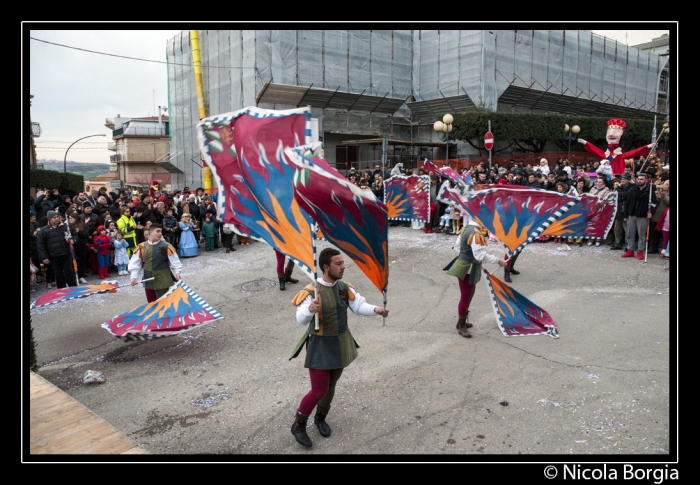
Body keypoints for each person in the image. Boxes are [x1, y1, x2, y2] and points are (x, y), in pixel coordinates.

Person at [288, 247, 389, 447]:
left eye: (343, 263)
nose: (343, 267)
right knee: (318, 389)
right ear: (326, 267)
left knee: (331, 387)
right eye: (338, 263)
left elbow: (358, 306)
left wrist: (376, 310)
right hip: (320, 344)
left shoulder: (344, 287)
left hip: (341, 341)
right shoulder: (311, 291)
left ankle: (320, 418)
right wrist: (309, 310)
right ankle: (299, 424)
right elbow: (300, 319)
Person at [445, 214, 507, 337]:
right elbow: (479, 256)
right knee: (466, 296)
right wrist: (498, 261)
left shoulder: (467, 228)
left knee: (468, 294)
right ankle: (461, 326)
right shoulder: (475, 233)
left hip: (465, 266)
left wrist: (465, 254)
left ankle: (461, 322)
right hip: (467, 269)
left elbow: (457, 245)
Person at [577, 119, 654, 175]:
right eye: (609, 132)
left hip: (617, 177)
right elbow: (595, 150)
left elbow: (635, 152)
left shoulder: (619, 156)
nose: (610, 135)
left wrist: (648, 146)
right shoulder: (606, 155)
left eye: (615, 132)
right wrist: (586, 143)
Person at [128, 224, 183, 303]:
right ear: (150, 233)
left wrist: (177, 272)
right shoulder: (142, 247)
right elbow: (134, 263)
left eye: (161, 231)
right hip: (148, 278)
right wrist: (133, 277)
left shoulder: (166, 246)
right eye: (157, 231)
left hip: (163, 278)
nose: (160, 233)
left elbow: (175, 262)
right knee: (152, 304)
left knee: (164, 304)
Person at [37, 210, 78, 289]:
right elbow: (41, 245)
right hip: (54, 255)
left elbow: (75, 234)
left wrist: (74, 240)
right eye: (54, 217)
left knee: (69, 272)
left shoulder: (66, 227)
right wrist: (44, 257)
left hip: (66, 253)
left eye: (57, 217)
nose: (57, 219)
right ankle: (61, 289)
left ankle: (73, 287)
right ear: (49, 219)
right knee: (58, 273)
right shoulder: (44, 231)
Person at [621, 172, 657, 260]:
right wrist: (625, 214)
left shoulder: (650, 191)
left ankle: (640, 250)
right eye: (639, 179)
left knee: (641, 235)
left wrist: (651, 212)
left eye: (642, 179)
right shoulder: (633, 189)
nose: (640, 181)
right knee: (630, 233)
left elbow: (654, 204)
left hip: (643, 216)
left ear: (646, 180)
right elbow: (627, 203)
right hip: (632, 214)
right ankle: (630, 250)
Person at [67, 212, 89, 284]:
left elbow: (86, 235)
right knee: (73, 262)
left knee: (82, 262)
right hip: (73, 247)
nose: (70, 220)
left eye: (71, 218)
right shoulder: (68, 226)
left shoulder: (83, 225)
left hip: (82, 245)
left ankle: (81, 276)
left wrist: (79, 232)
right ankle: (74, 276)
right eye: (69, 218)